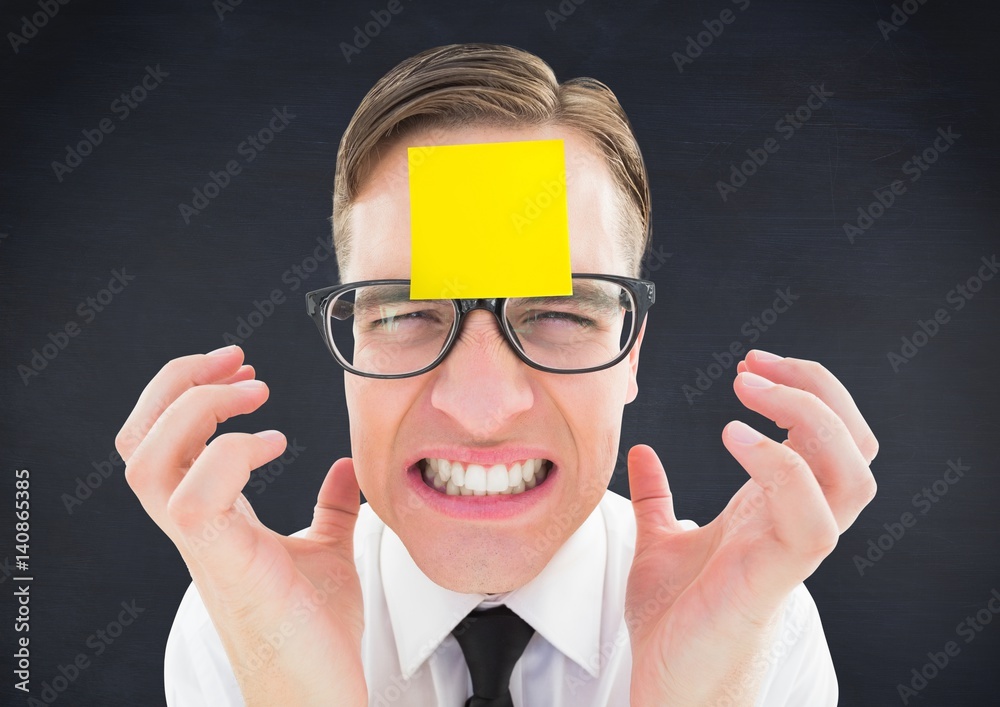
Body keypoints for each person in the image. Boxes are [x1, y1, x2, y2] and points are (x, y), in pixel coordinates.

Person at [118, 43, 879, 706]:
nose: (482, 406)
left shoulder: (761, 628)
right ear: (349, 338)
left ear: (633, 352)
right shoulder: (237, 621)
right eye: (406, 313)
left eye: (560, 314)